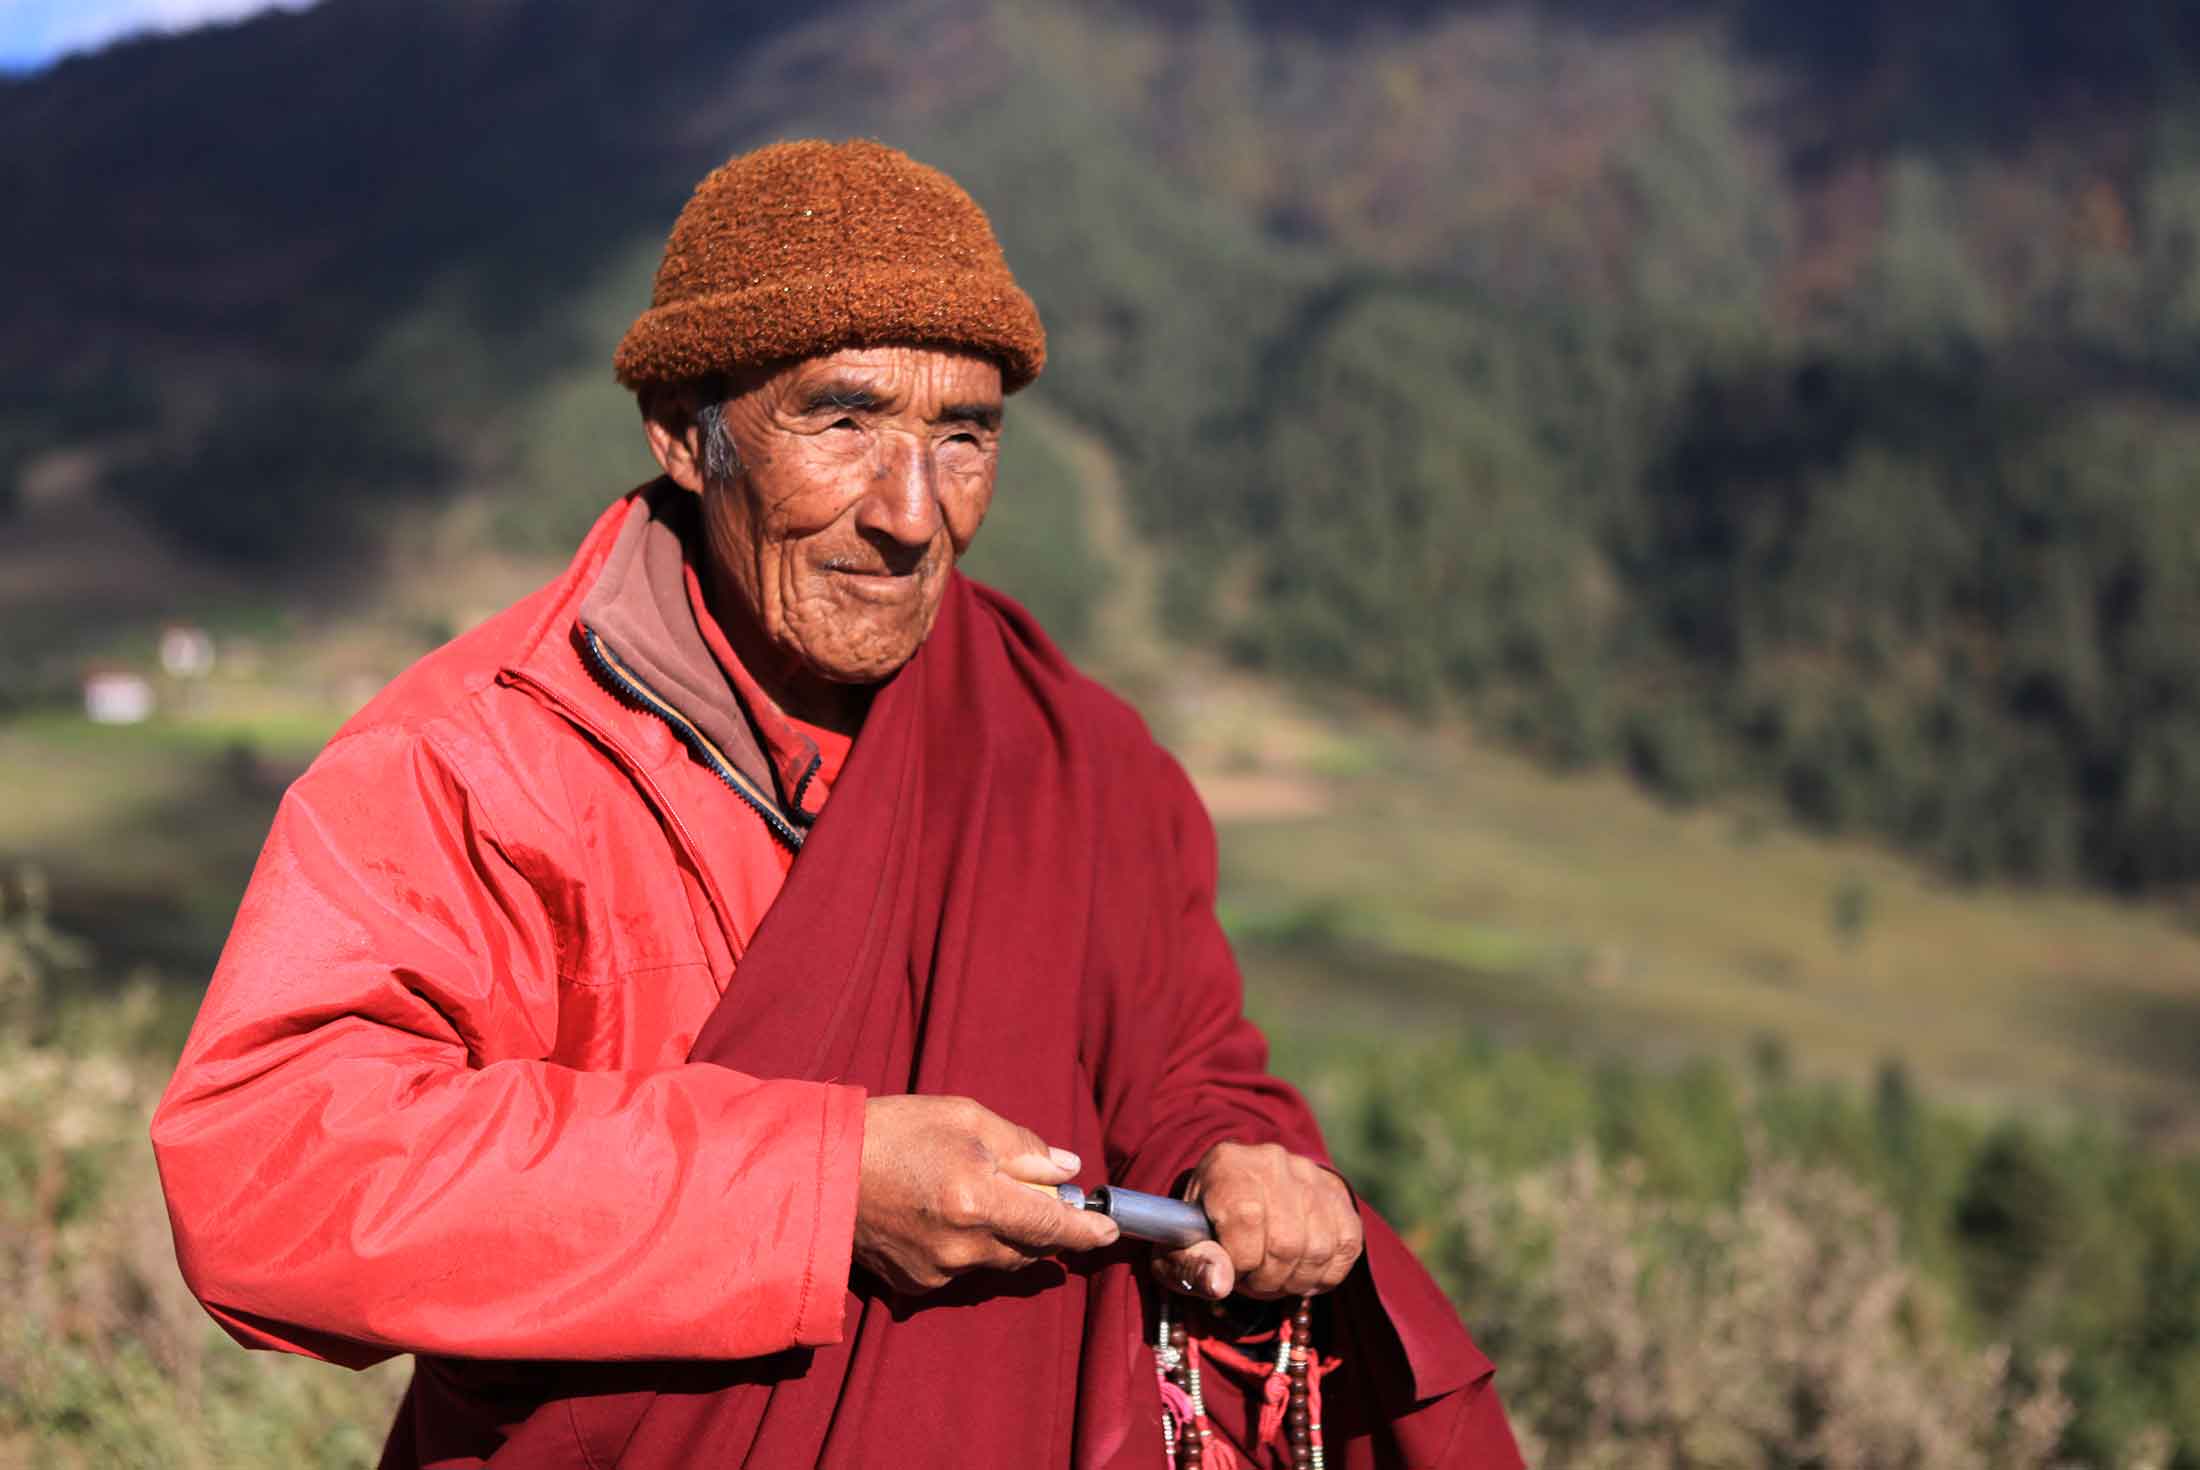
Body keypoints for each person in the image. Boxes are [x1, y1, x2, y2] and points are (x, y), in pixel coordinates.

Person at [151, 138, 1522, 1469]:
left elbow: (1183, 1057)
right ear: (686, 436)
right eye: (845, 418)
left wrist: (1245, 1158)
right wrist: (814, 1188)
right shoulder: (480, 765)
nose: (914, 512)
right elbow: (267, 1175)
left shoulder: (1072, 750)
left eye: (964, 434)